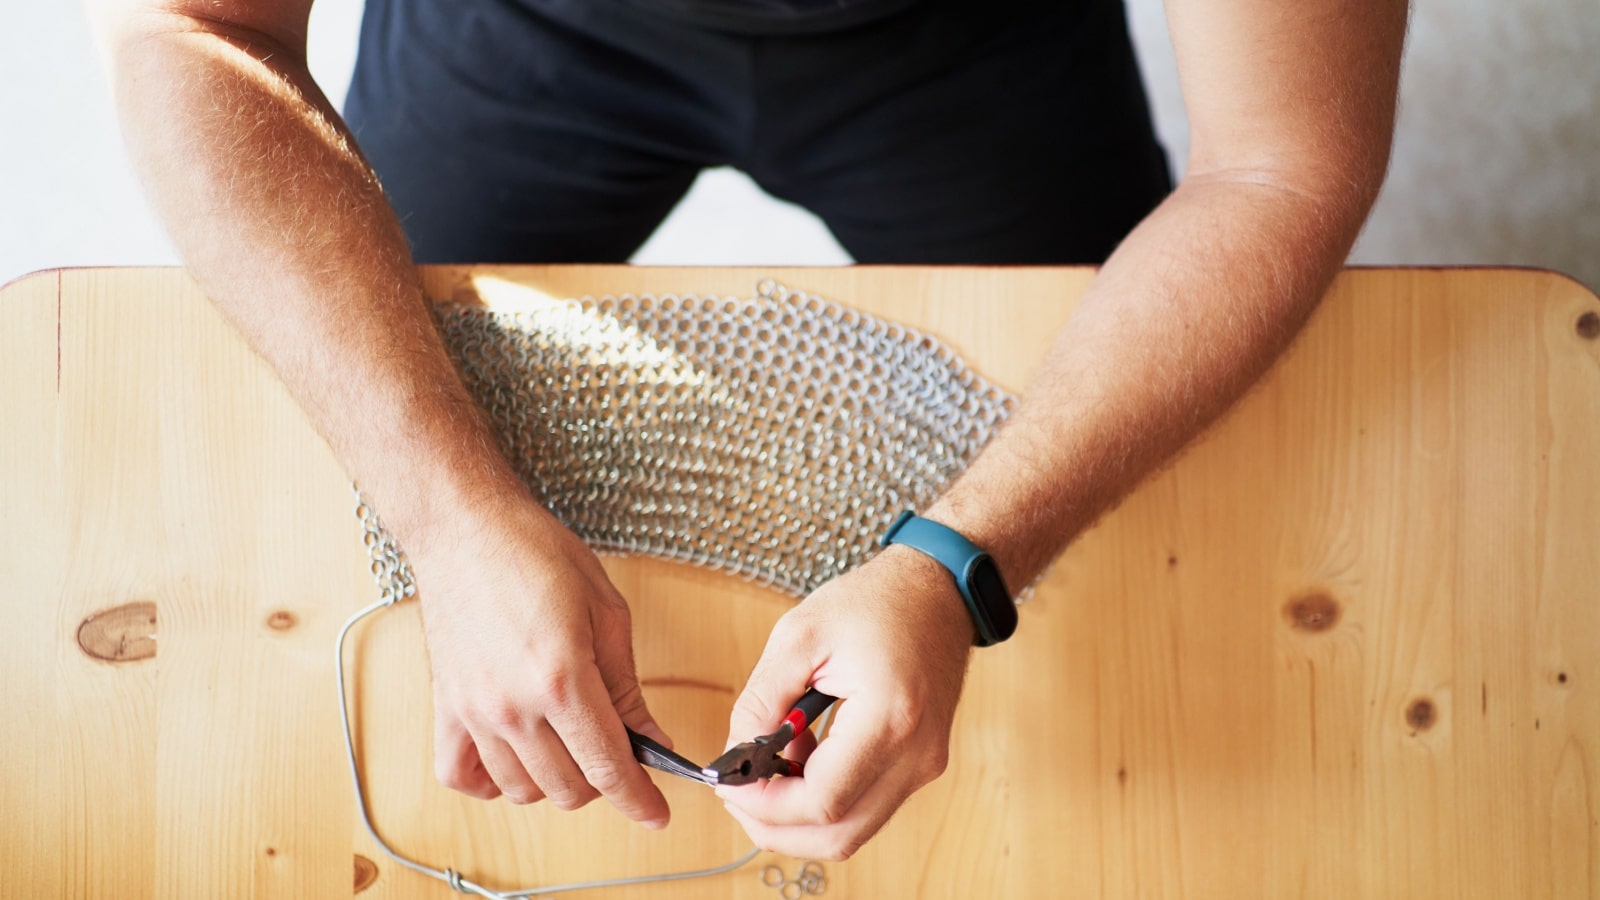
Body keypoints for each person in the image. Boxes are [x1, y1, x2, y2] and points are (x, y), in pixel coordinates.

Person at [87, 0, 1406, 861]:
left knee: (1164, 557)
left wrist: (956, 562)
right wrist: (451, 516)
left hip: (977, 42)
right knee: (335, 463)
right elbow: (188, 31)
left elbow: (1281, 162)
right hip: (515, 25)